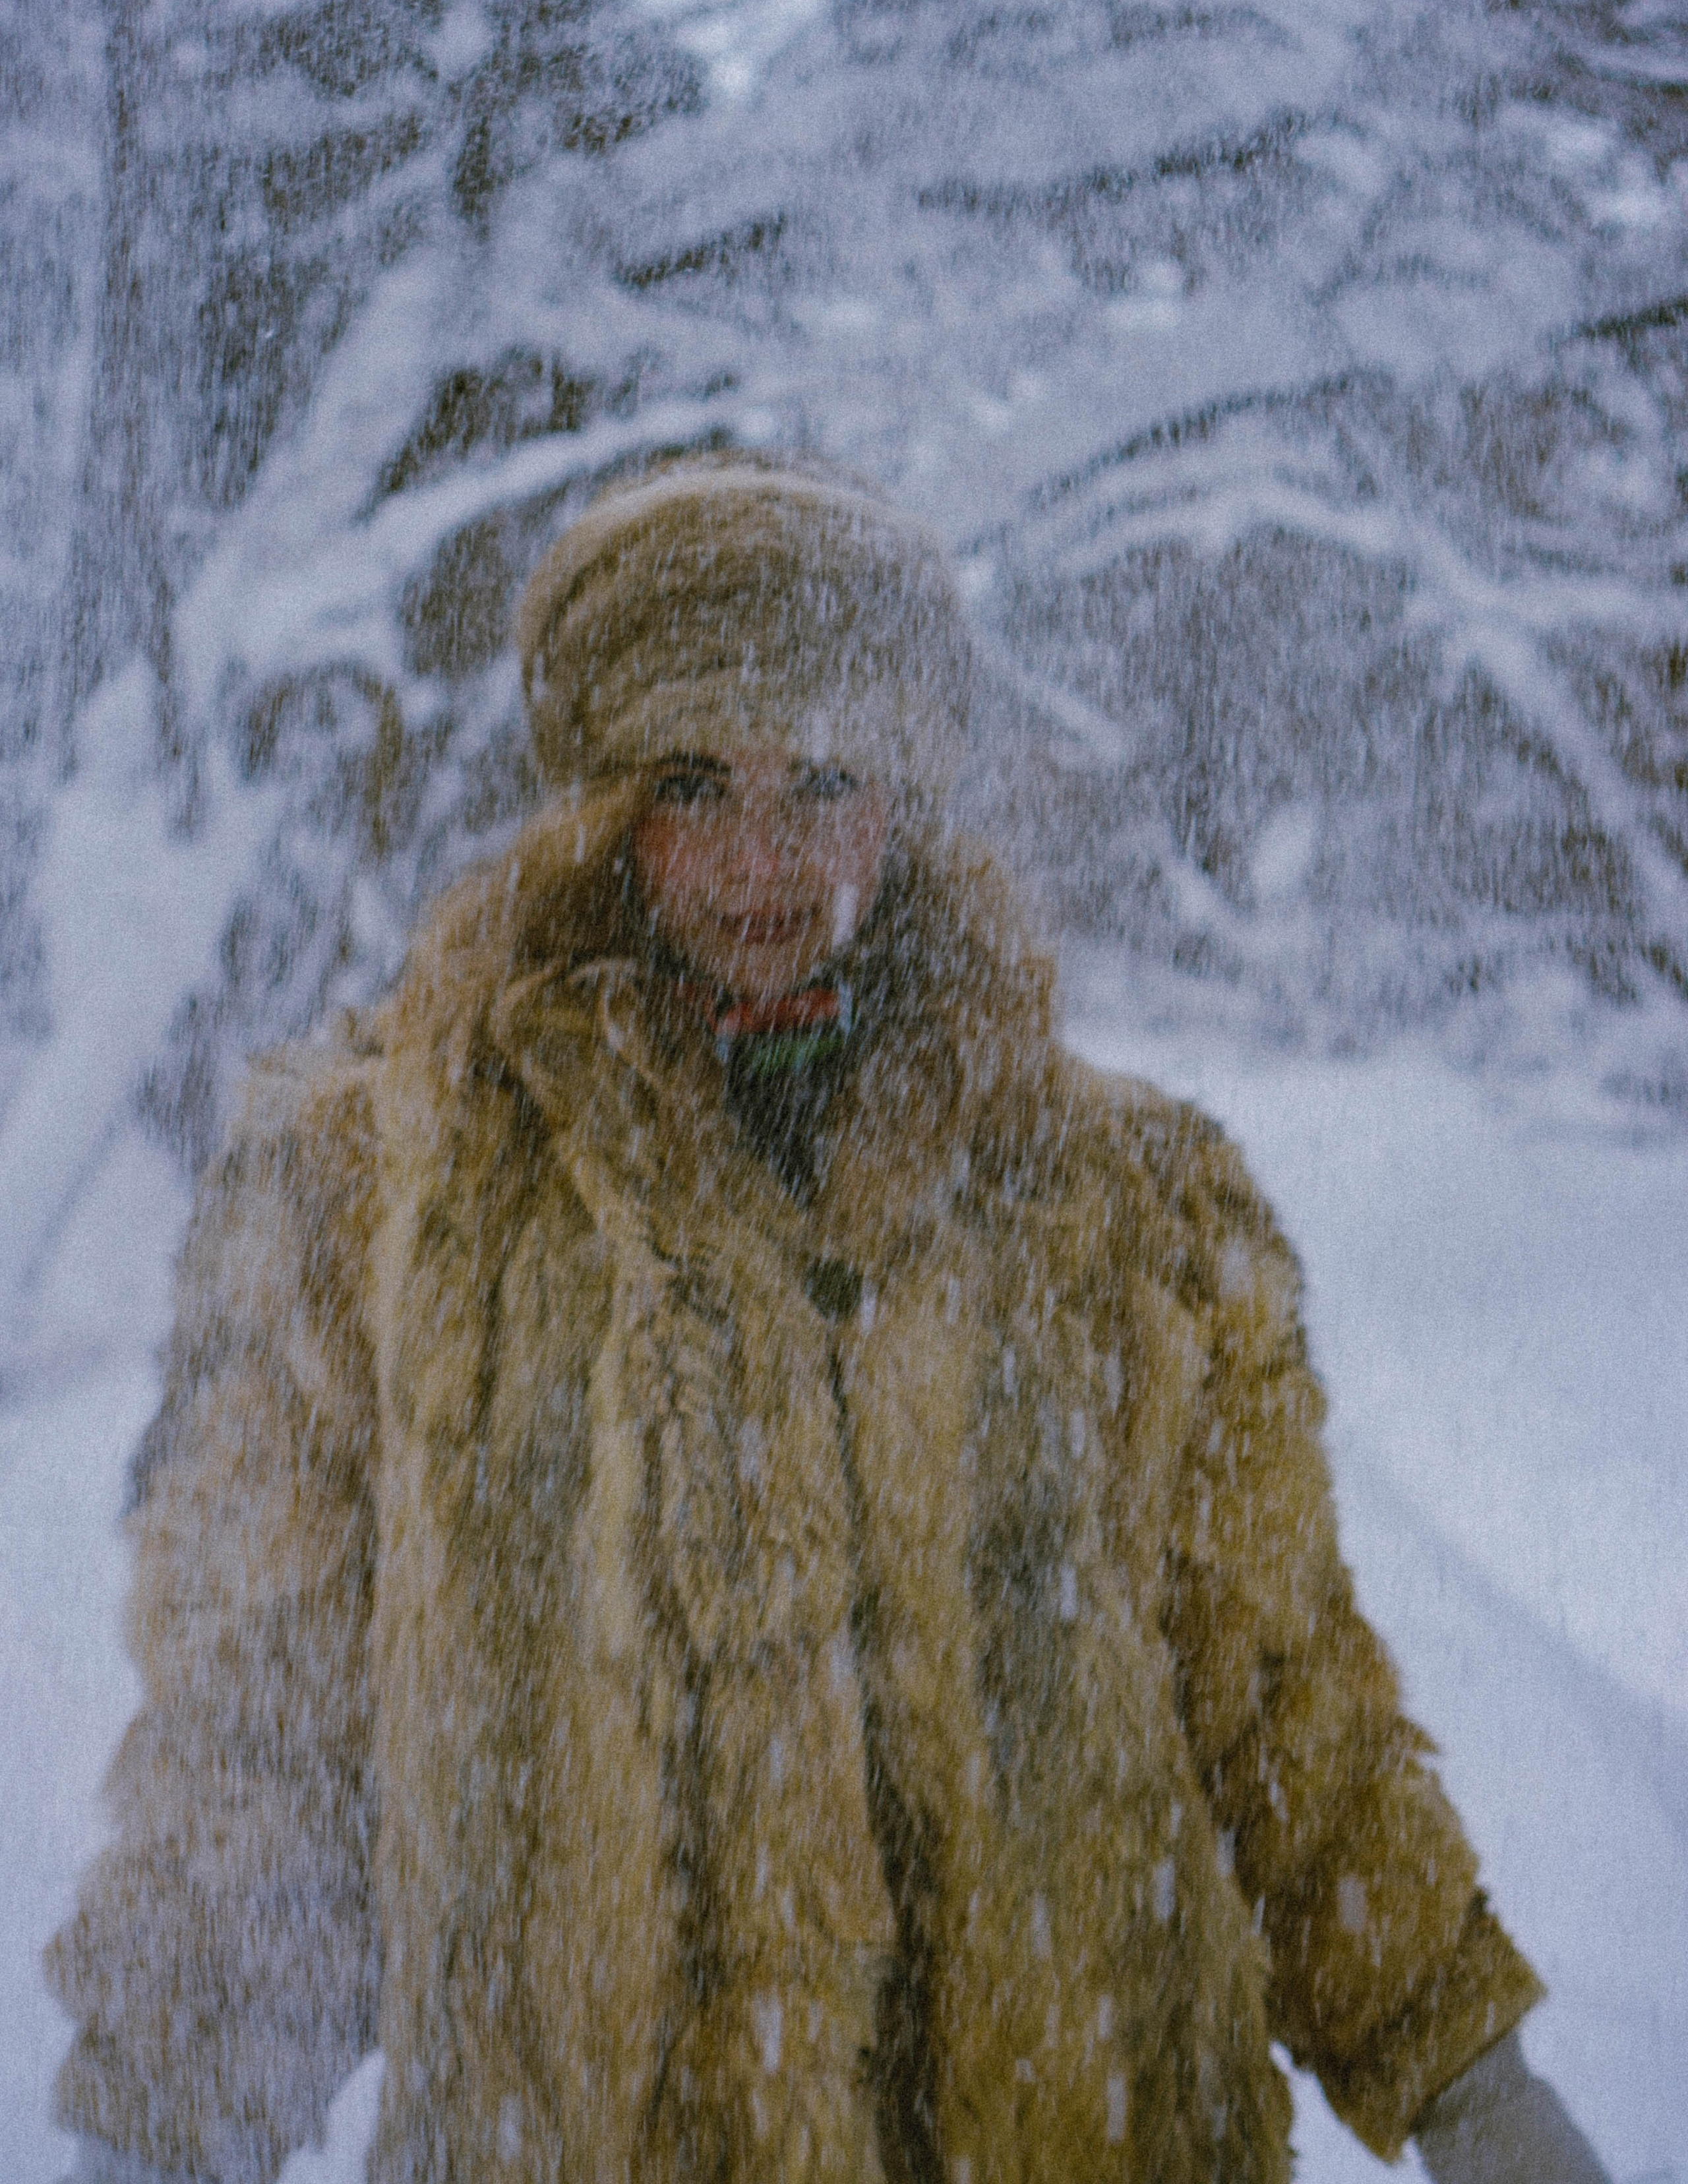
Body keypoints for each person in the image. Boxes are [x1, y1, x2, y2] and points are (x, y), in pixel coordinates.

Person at [47, 454, 1608, 2184]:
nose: (764, 859)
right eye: (697, 781)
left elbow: (1281, 1701)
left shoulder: (1127, 1207)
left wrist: (1472, 2081)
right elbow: (261, 1750)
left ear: (906, 800)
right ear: (598, 800)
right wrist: (165, 2125)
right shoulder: (373, 1194)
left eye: (825, 779)